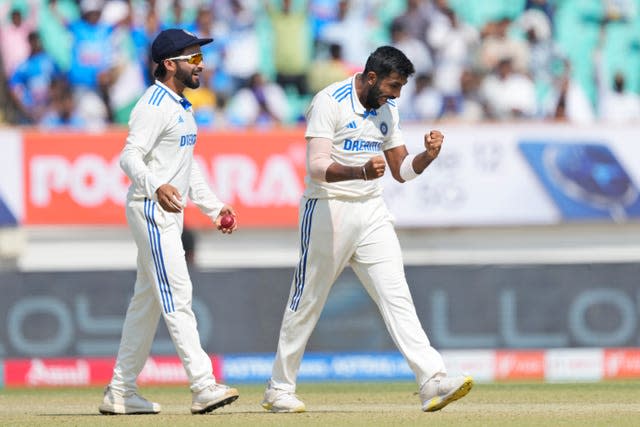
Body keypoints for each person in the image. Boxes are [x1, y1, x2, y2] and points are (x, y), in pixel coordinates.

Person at [261, 46, 473, 414]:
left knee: (397, 295)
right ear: (371, 77)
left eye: (402, 88)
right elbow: (315, 166)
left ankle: (431, 379)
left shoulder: (387, 108)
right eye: (393, 85)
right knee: (307, 300)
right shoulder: (330, 101)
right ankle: (279, 388)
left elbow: (401, 170)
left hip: (372, 211)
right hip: (329, 208)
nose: (397, 95)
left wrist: (426, 157)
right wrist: (358, 171)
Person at [99, 28, 239, 416]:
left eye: (200, 57)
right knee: (178, 296)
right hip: (149, 208)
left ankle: (121, 391)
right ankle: (203, 385)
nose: (201, 65)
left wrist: (214, 209)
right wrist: (155, 184)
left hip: (165, 212)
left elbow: (186, 168)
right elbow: (130, 157)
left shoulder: (181, 106)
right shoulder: (154, 104)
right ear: (168, 64)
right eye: (192, 58)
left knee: (145, 304)